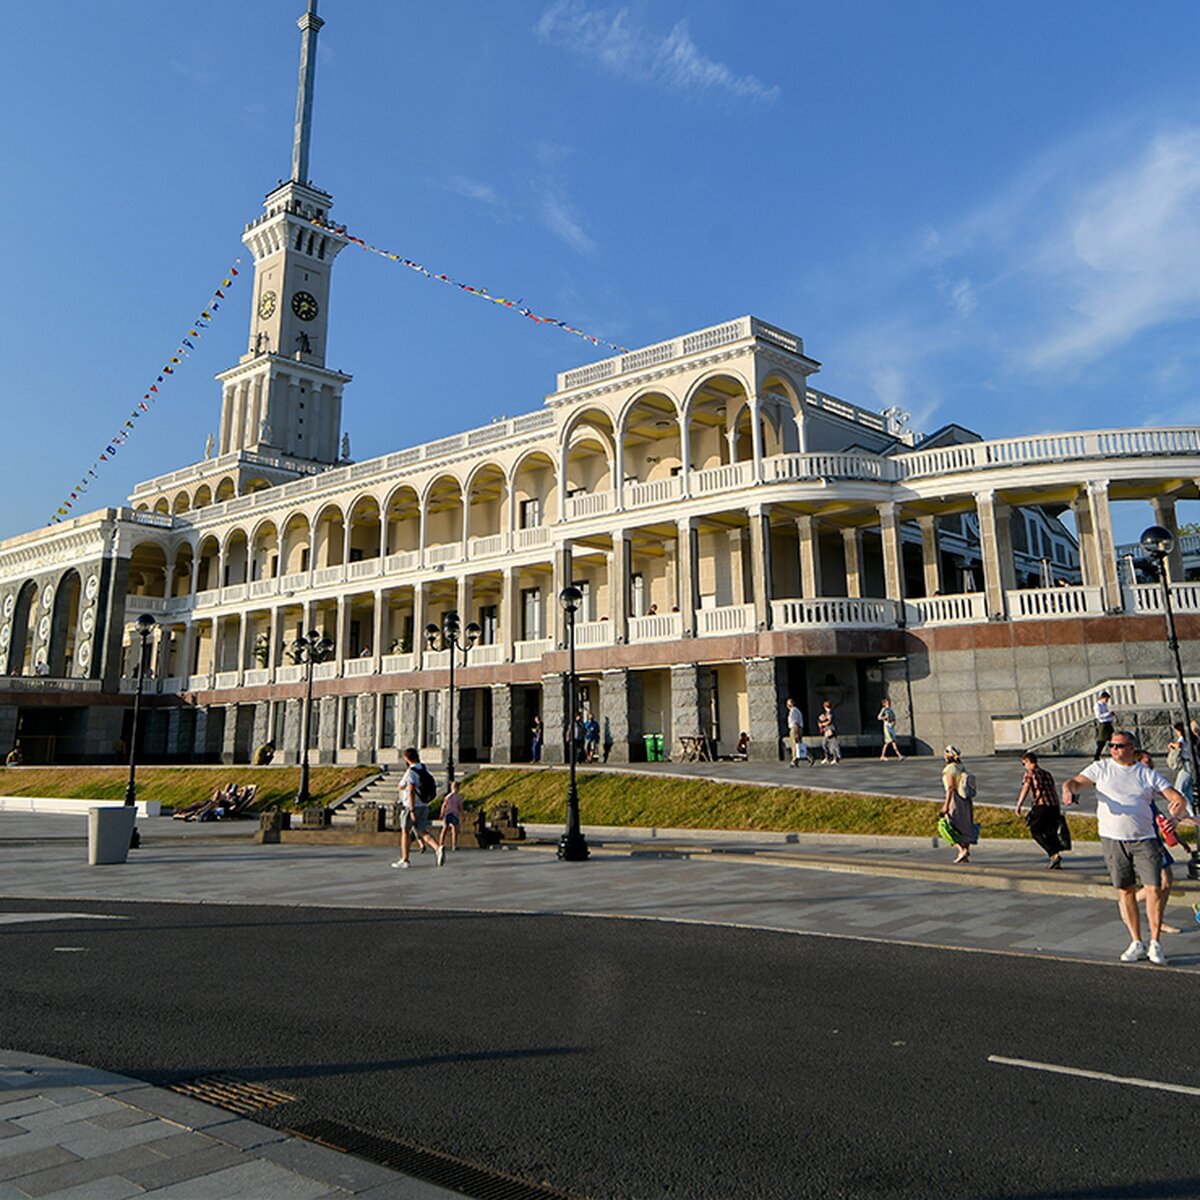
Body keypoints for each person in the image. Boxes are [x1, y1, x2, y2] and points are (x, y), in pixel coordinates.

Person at [1062, 730, 1185, 965]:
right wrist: (1068, 788)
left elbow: (1178, 799)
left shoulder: (1146, 774)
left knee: (1153, 889)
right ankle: (1136, 942)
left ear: (1132, 748)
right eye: (1112, 746)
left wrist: (1176, 817)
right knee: (1125, 890)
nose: (1115, 750)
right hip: (1112, 839)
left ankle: (1155, 943)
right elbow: (1077, 782)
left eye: (1120, 746)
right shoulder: (1101, 768)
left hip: (1145, 839)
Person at [391, 747, 444, 869]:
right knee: (422, 831)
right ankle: (438, 848)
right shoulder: (423, 769)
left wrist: (412, 809)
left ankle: (405, 859)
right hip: (424, 805)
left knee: (405, 831)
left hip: (411, 806)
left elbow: (410, 790)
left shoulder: (411, 772)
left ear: (407, 758)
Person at [1014, 751, 1065, 869]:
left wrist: (1018, 805)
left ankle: (1053, 854)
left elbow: (1025, 789)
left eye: (1024, 764)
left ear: (1028, 761)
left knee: (1035, 831)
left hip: (1041, 806)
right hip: (1054, 806)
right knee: (1050, 832)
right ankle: (1055, 857)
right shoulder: (1047, 773)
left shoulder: (1030, 773)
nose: (1024, 766)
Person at [940, 745, 976, 864]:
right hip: (966, 799)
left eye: (945, 753)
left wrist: (946, 804)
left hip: (955, 800)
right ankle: (965, 853)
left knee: (947, 826)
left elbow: (950, 788)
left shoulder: (950, 769)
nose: (944, 756)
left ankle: (961, 850)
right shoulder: (961, 767)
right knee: (965, 826)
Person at [439, 781, 463, 852]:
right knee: (454, 830)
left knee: (444, 829)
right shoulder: (459, 797)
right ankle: (454, 845)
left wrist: (442, 813)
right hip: (455, 814)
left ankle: (441, 844)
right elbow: (460, 807)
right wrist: (462, 814)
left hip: (447, 814)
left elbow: (444, 805)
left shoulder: (448, 796)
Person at [785, 698, 810, 767]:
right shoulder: (797, 710)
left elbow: (795, 723)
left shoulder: (793, 711)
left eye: (788, 703)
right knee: (798, 745)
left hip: (795, 729)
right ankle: (806, 758)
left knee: (794, 745)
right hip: (798, 729)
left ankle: (794, 760)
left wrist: (796, 733)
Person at [1093, 690, 1114, 761]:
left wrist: (1110, 716)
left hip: (1108, 723)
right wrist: (1108, 714)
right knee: (1102, 741)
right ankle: (1096, 756)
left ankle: (1113, 753)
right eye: (1106, 699)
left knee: (1113, 739)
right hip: (1103, 724)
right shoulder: (1097, 705)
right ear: (1102, 697)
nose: (1107, 700)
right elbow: (1098, 716)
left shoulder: (1104, 705)